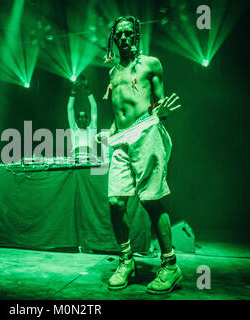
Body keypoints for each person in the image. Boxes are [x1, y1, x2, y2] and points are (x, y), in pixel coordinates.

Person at [102, 15, 182, 294]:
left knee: (151, 200)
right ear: (114, 38)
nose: (124, 38)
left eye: (128, 34)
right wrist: (110, 133)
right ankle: (126, 261)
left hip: (147, 132)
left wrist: (161, 112)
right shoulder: (113, 72)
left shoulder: (151, 63)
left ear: (136, 36)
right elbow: (118, 109)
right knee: (114, 201)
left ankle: (170, 265)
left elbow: (158, 101)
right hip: (121, 139)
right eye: (119, 35)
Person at [66, 75, 97, 161]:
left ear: (88, 121)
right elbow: (70, 108)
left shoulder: (92, 129)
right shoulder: (74, 128)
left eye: (84, 117)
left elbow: (94, 107)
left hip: (89, 160)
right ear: (76, 121)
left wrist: (87, 88)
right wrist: (73, 90)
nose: (82, 119)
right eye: (80, 117)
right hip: (75, 160)